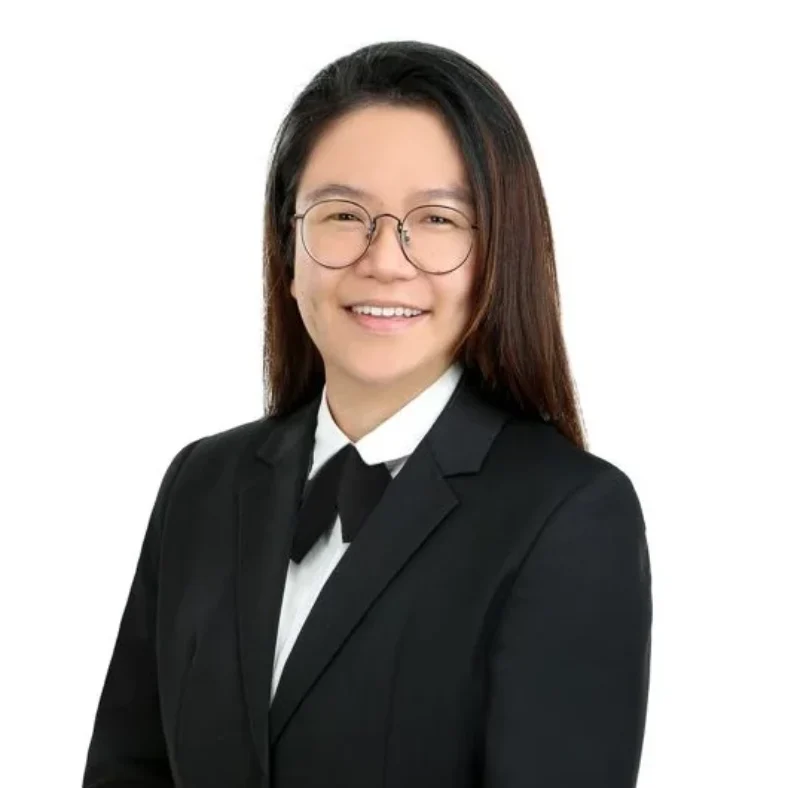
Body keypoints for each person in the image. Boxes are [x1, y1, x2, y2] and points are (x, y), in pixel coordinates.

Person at [82, 40, 652, 788]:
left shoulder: (570, 514)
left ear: (497, 257)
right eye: (344, 214)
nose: (384, 259)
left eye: (438, 218)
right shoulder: (202, 481)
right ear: (288, 249)